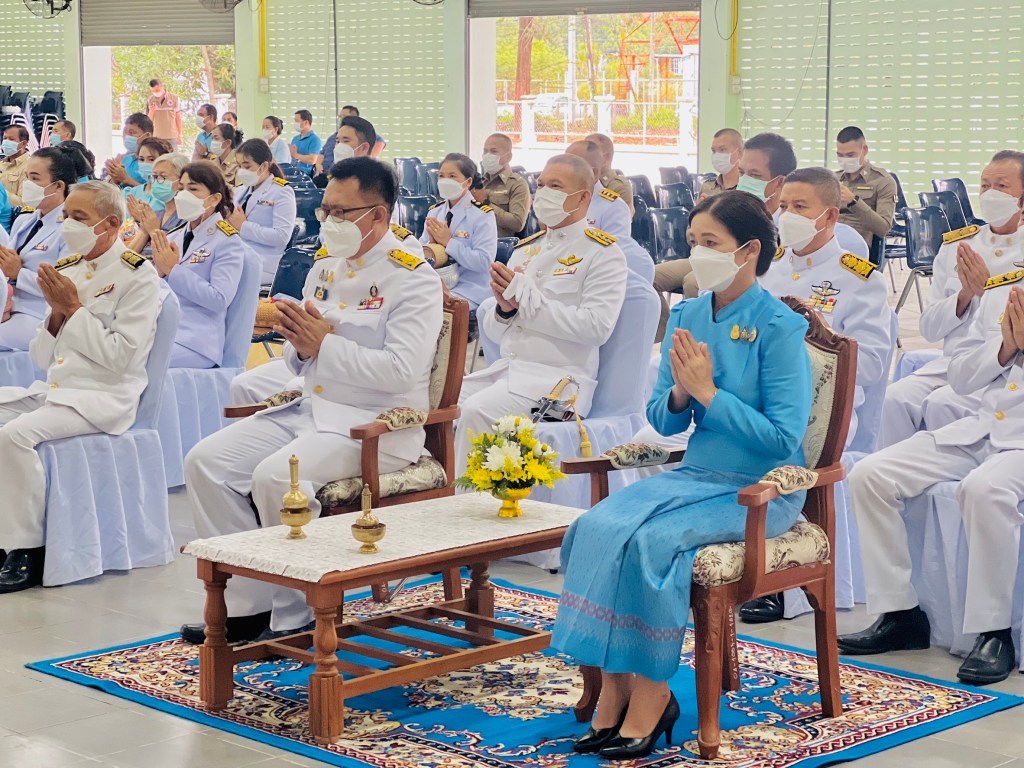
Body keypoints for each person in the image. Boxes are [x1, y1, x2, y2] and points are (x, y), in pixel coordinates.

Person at [552, 191, 812, 759]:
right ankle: (614, 687)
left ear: (748, 251)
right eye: (693, 241)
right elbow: (660, 417)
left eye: (710, 243)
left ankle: (653, 691)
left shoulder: (780, 326)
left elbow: (782, 439)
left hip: (758, 488)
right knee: (593, 527)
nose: (697, 253)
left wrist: (709, 394)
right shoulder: (690, 315)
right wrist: (679, 394)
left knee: (653, 543)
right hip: (695, 473)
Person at [179, 157, 443, 643]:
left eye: (342, 213)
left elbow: (402, 371)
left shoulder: (412, 277)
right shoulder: (324, 266)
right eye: (326, 211)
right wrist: (302, 349)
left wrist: (325, 345)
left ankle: (296, 617)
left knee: (277, 477)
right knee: (205, 463)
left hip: (375, 423)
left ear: (378, 215)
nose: (330, 221)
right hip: (310, 408)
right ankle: (249, 605)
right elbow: (299, 358)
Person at [839, 279, 1024, 685]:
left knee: (983, 490)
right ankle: (901, 615)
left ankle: (994, 633)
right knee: (871, 475)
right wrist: (1005, 347)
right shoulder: (1004, 290)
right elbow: (960, 374)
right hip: (980, 429)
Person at [0, 180, 161, 593]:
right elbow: (41, 357)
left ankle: (26, 550)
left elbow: (121, 357)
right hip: (59, 388)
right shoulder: (68, 267)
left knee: (13, 436)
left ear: (111, 224)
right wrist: (57, 314)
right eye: (67, 215)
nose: (68, 224)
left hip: (103, 396)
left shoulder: (138, 276)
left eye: (79, 217)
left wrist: (73, 309)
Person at [454, 153, 627, 477]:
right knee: (441, 403)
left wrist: (527, 303)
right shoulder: (526, 250)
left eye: (555, 186)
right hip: (511, 372)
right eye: (542, 184)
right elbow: (497, 332)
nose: (543, 193)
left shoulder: (603, 253)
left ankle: (469, 503)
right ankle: (438, 493)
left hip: (560, 383)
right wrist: (505, 309)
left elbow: (596, 327)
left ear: (583, 197)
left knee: (477, 412)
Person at [879, 151, 1024, 448]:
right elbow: (930, 329)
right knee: (894, 398)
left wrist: (988, 292)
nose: (990, 194)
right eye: (985, 186)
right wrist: (966, 294)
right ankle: (893, 469)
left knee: (943, 404)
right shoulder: (958, 246)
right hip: (953, 363)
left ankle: (949, 475)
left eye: (1001, 186)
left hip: (1006, 368)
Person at [149, 161, 246, 369]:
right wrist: (160, 273)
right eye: (181, 188)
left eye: (193, 189)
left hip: (197, 341)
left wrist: (173, 271)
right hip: (161, 328)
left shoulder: (227, 241)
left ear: (214, 199)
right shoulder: (173, 236)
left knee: (138, 363)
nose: (184, 195)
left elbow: (219, 299)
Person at [0, 147, 75, 352]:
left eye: (35, 178)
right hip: (8, 305)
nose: (27, 185)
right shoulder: (25, 220)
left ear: (58, 186)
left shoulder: (70, 229)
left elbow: (65, 287)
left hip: (39, 313)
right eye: (26, 177)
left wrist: (19, 273)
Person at [566, 139, 654, 282]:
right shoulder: (563, 200)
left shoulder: (613, 207)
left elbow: (612, 255)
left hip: (591, 277)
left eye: (572, 165)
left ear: (593, 172)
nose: (564, 170)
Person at [420, 153, 497, 309]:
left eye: (452, 176)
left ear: (468, 182)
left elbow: (484, 261)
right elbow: (420, 253)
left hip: (471, 288)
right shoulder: (434, 212)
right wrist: (431, 248)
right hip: (437, 284)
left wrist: (449, 243)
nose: (445, 181)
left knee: (431, 307)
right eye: (441, 176)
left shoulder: (482, 215)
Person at [228, 138, 298, 284]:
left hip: (264, 262)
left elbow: (281, 237)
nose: (241, 171)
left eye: (247, 166)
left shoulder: (281, 191)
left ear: (264, 166)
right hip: (236, 255)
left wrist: (244, 226)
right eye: (239, 166)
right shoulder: (241, 191)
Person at [835, 126, 898, 251]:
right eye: (840, 155)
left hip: (857, 247)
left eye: (850, 155)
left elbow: (883, 228)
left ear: (864, 150)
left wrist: (854, 201)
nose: (845, 160)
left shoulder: (882, 181)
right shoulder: (833, 179)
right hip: (829, 240)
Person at [125, 152, 188, 254]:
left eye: (163, 177)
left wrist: (153, 231)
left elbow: (170, 259)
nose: (157, 182)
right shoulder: (157, 214)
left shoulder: (185, 219)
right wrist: (145, 227)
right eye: (154, 177)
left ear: (182, 181)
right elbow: (128, 255)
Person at [474, 132, 531, 238]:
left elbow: (517, 223)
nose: (487, 156)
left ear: (508, 157)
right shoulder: (478, 182)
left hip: (499, 243)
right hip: (472, 239)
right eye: (485, 151)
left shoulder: (517, 184)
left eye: (493, 151)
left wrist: (486, 204)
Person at [316, 115, 377, 185]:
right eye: (338, 141)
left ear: (364, 148)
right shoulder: (329, 181)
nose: (339, 146)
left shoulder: (375, 184)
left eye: (346, 141)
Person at [584, 132, 634, 216]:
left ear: (605, 158)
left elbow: (620, 219)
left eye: (590, 151)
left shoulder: (619, 187)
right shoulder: (580, 181)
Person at [123, 138, 174, 215]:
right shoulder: (130, 193)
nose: (145, 163)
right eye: (141, 159)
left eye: (151, 159)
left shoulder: (167, 195)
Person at [104, 113, 153, 189]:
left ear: (147, 136)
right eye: (125, 132)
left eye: (132, 133)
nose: (127, 136)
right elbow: (114, 188)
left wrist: (126, 179)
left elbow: (154, 192)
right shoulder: (126, 159)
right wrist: (113, 175)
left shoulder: (157, 160)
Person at [699, 128, 743, 201]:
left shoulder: (749, 189)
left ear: (739, 153)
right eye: (714, 151)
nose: (717, 155)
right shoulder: (707, 187)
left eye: (722, 149)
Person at [146, 78, 182, 151]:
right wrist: (152, 111)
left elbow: (178, 118)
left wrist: (180, 134)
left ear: (162, 86)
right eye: (153, 91)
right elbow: (148, 121)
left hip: (172, 137)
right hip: (157, 138)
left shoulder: (175, 98)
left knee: (173, 157)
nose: (156, 92)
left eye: (157, 90)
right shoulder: (150, 100)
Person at [1, 124, 31, 209]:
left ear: (23, 144)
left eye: (11, 139)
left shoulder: (29, 167)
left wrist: (2, 193)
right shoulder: (1, 164)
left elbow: (25, 205)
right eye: (5, 138)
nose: (6, 142)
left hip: (11, 216)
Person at [209, 123, 243, 187]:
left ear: (227, 143)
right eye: (212, 138)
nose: (213, 142)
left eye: (216, 138)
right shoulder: (212, 164)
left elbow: (241, 191)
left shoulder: (240, 163)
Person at [289, 109, 322, 176]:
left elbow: (312, 160)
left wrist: (296, 155)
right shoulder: (295, 139)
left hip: (304, 174)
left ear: (306, 122)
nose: (295, 123)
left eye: (297, 121)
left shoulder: (315, 139)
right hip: (291, 171)